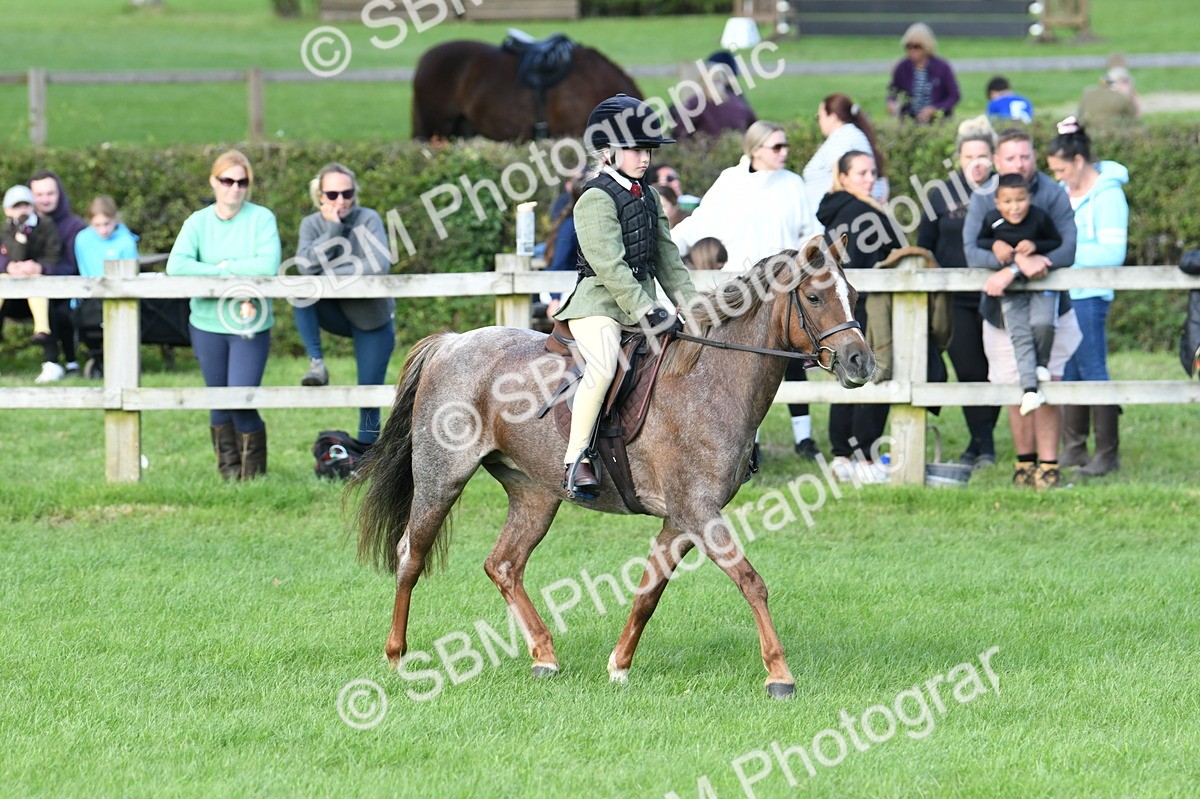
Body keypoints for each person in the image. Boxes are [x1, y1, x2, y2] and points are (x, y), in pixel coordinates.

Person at [553, 94, 699, 495]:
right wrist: (645, 308)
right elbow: (609, 265)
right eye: (635, 149)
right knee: (602, 365)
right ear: (607, 151)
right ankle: (576, 458)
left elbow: (668, 259)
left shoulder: (650, 197)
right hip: (598, 304)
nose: (644, 158)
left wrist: (694, 306)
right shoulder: (595, 198)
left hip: (642, 305)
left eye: (647, 149)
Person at [671, 120, 822, 459]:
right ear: (755, 150)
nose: (785, 153)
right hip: (742, 289)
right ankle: (748, 442)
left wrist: (816, 258)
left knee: (793, 361)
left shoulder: (793, 184)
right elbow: (701, 221)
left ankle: (804, 438)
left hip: (785, 288)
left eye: (786, 146)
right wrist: (668, 242)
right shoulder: (730, 182)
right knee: (744, 367)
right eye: (777, 147)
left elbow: (809, 231)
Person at [963, 128, 1078, 490]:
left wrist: (1030, 262)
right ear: (997, 161)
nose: (1020, 163)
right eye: (1011, 157)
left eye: (1025, 156)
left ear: (1034, 156)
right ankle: (1024, 463)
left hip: (1051, 310)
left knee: (1048, 383)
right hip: (1000, 314)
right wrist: (1013, 263)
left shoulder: (1053, 194)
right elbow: (972, 249)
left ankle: (1049, 465)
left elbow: (1068, 249)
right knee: (1015, 385)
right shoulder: (985, 196)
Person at [167, 150, 281, 480]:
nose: (234, 188)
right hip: (205, 322)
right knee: (218, 401)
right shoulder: (197, 222)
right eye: (226, 180)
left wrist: (219, 268)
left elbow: (266, 266)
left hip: (250, 321)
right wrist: (232, 273)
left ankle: (254, 477)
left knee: (242, 398)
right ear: (213, 182)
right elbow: (177, 267)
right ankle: (229, 477)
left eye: (241, 182)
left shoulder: (262, 218)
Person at [1046, 117, 1130, 476]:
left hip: (1091, 295)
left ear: (1078, 161)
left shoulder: (1109, 195)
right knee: (1071, 368)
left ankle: (1108, 453)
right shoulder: (1066, 193)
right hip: (1065, 294)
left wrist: (1063, 254)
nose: (1058, 177)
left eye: (1061, 169)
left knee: (1094, 369)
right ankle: (1076, 447)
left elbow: (1113, 253)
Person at [816, 150, 906, 483]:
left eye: (872, 173)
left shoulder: (835, 209)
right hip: (866, 306)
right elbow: (870, 261)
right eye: (861, 173)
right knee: (873, 369)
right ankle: (865, 457)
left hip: (842, 309)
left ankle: (842, 454)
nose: (870, 179)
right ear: (843, 177)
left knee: (847, 373)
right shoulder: (861, 212)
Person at [917, 116, 1001, 468]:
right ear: (959, 158)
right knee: (969, 371)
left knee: (996, 371)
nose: (976, 163)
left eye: (982, 156)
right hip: (955, 301)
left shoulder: (1007, 191)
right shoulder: (941, 194)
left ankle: (982, 442)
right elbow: (926, 245)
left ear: (994, 157)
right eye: (969, 157)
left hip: (997, 294)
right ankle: (982, 444)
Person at [293, 163, 397, 445]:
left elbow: (378, 264)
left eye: (347, 193)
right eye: (332, 194)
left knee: (368, 397)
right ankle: (316, 364)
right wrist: (332, 229)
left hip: (371, 319)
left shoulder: (368, 218)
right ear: (320, 196)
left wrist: (327, 276)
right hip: (332, 311)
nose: (340, 200)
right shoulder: (311, 224)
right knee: (300, 292)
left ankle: (367, 463)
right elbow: (303, 268)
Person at [976, 173, 1064, 416]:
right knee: (1020, 336)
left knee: (1043, 323)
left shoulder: (1039, 217)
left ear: (1030, 198)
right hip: (1011, 291)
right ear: (997, 203)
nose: (1014, 207)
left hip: (1039, 284)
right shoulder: (992, 220)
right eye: (1007, 202)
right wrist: (996, 245)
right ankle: (1030, 390)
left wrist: (1035, 247)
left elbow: (1055, 241)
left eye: (1020, 200)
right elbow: (980, 240)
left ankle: (1041, 364)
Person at [73, 195, 141, 375]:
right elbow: (85, 269)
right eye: (97, 225)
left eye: (106, 224)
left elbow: (130, 274)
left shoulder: (126, 241)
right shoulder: (82, 239)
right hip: (92, 296)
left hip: (120, 293)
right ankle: (98, 359)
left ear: (115, 220)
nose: (103, 230)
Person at [0, 185, 61, 382]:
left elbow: (53, 259)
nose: (22, 210)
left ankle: (51, 361)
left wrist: (38, 267)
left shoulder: (46, 226)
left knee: (40, 288)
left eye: (25, 205)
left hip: (40, 294)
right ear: (7, 210)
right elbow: (9, 259)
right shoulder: (6, 230)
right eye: (16, 206)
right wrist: (11, 266)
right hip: (12, 298)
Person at [802, 93, 888, 211]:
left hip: (838, 218)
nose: (819, 121)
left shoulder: (844, 139)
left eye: (819, 116)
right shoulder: (849, 136)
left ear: (832, 116)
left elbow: (844, 180)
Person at [668, 55, 756, 141]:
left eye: (718, 81)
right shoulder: (696, 104)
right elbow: (680, 133)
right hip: (719, 148)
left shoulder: (735, 103)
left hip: (721, 148)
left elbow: (679, 133)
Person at [887, 23, 960, 123]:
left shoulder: (942, 67)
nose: (912, 50)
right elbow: (893, 91)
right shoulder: (902, 67)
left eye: (917, 46)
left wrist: (935, 109)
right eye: (909, 46)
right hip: (909, 121)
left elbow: (954, 96)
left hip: (937, 122)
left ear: (926, 47)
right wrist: (891, 103)